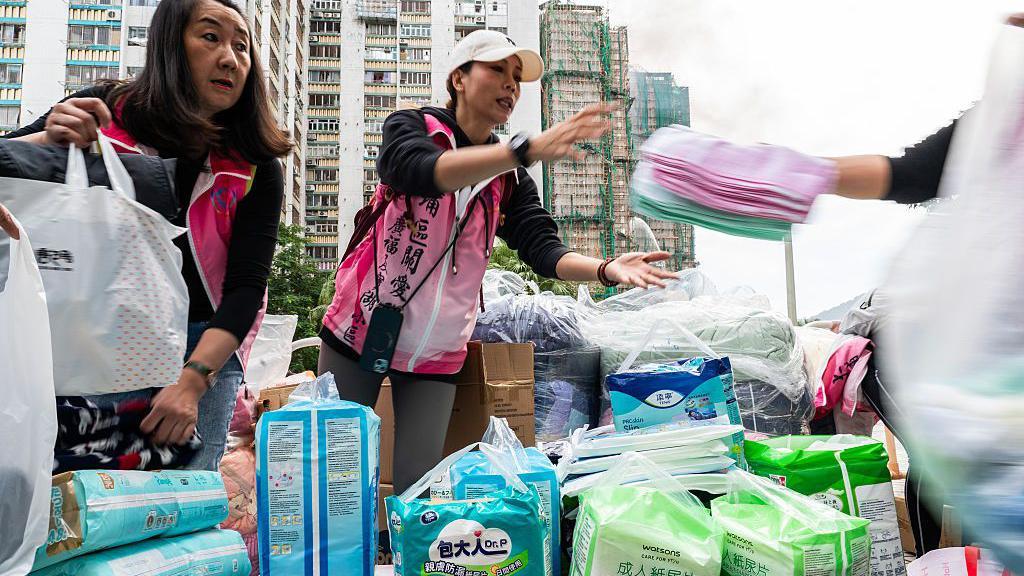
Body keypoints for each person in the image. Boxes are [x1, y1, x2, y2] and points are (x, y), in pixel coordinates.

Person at [318, 29, 679, 493]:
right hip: (361, 327)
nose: (511, 85)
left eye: (517, 78)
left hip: (436, 353)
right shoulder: (412, 127)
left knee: (418, 486)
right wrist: (520, 152)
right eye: (497, 70)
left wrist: (606, 269)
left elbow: (543, 248)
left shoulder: (508, 180)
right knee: (336, 478)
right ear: (459, 78)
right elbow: (421, 172)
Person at [6, 0, 292, 471]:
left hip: (203, 346)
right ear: (169, 44)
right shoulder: (105, 113)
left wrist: (192, 381)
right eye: (210, 37)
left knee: (184, 508)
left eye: (242, 47)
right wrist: (45, 140)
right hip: (90, 335)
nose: (230, 58)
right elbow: (8, 177)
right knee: (71, 502)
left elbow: (245, 291)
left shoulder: (256, 165)